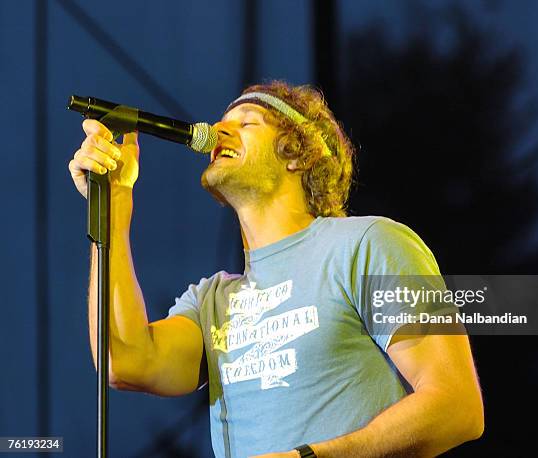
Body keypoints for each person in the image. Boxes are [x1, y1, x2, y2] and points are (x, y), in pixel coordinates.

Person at [68, 81, 484, 458]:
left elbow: (456, 406)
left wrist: (307, 457)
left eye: (246, 122)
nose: (218, 132)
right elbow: (123, 360)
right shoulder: (213, 301)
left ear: (296, 153)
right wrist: (115, 202)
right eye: (221, 122)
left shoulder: (368, 244)